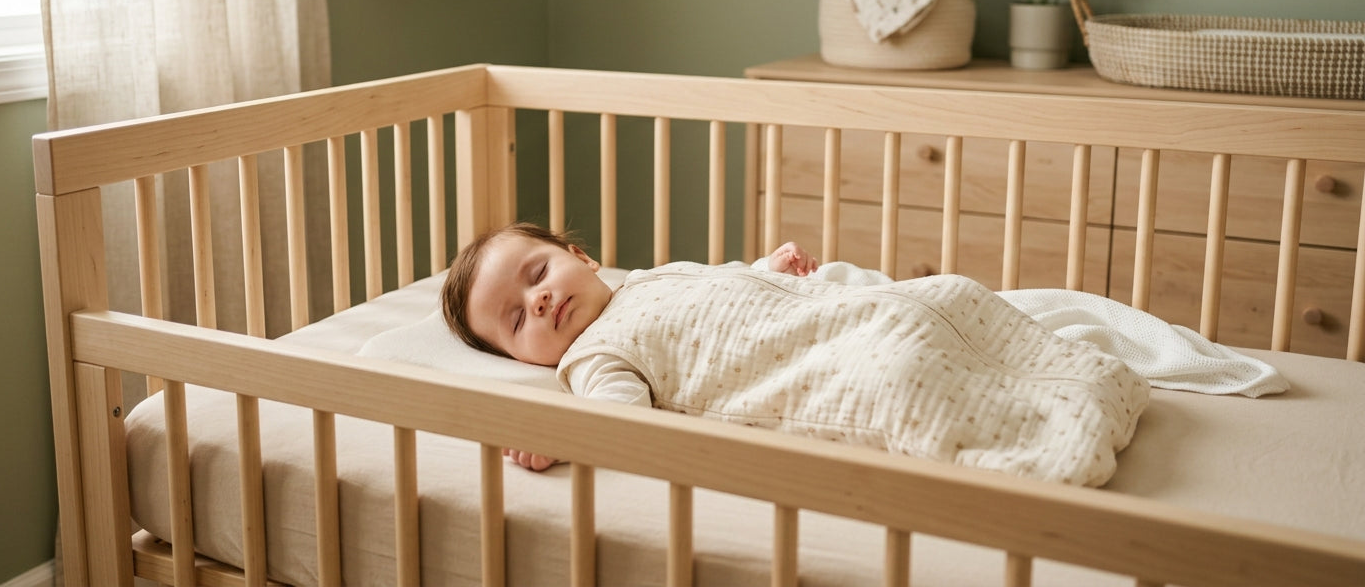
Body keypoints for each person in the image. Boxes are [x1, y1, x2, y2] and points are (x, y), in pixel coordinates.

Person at [440, 221, 1153, 486]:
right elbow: (620, 422)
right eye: (517, 319)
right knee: (901, 378)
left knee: (948, 297)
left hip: (835, 315)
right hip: (824, 366)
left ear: (581, 256)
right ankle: (1058, 436)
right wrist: (558, 437)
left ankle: (1078, 377)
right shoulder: (593, 360)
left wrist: (766, 269)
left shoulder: (651, 278)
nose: (539, 301)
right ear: (524, 360)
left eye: (537, 274)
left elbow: (719, 291)